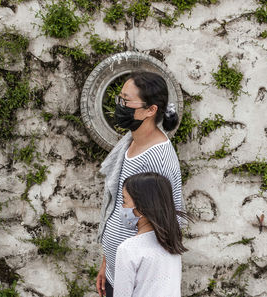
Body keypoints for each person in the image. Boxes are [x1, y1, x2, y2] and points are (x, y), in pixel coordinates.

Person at [96, 71, 183, 297]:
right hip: (118, 269)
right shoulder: (131, 142)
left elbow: (171, 219)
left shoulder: (159, 159)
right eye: (120, 99)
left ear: (150, 110)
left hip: (136, 280)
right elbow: (118, 207)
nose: (120, 106)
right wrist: (108, 261)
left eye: (126, 101)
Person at [114, 172, 190, 296]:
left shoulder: (128, 249)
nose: (122, 207)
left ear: (142, 207)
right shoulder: (172, 243)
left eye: (124, 200)